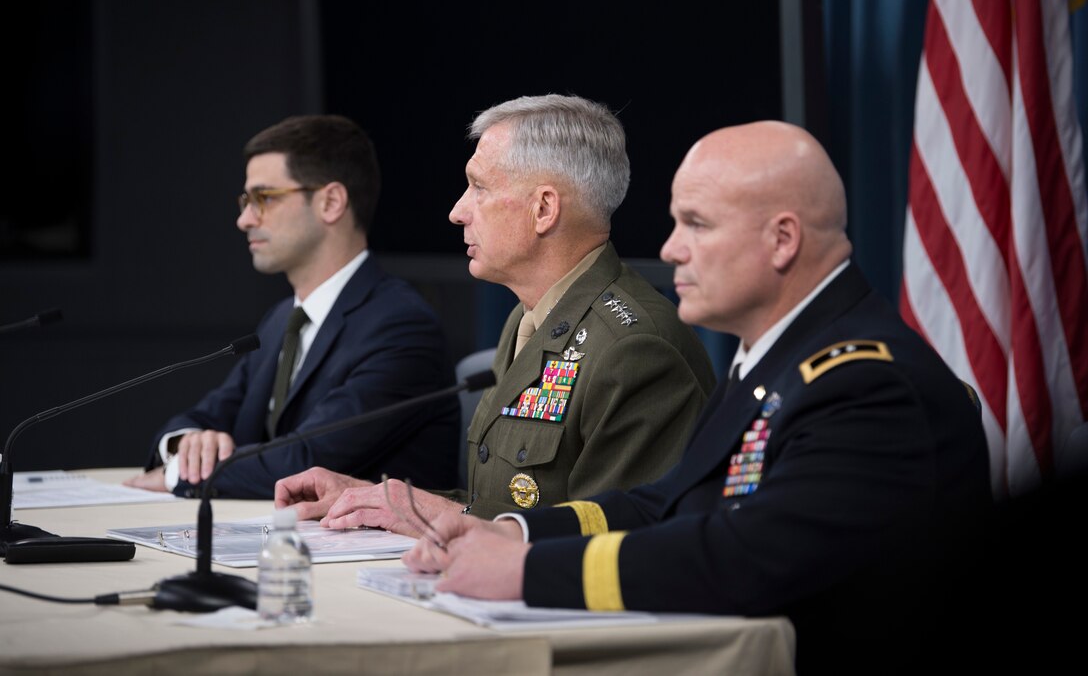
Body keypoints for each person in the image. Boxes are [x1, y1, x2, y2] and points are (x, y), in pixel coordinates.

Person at [401, 121, 994, 674]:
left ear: (783, 239)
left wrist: (527, 572)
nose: (671, 249)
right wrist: (513, 533)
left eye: (698, 224)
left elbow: (745, 558)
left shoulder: (866, 384)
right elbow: (668, 503)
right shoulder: (773, 358)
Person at [275, 94, 717, 526]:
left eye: (479, 187)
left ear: (543, 209)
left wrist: (435, 513)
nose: (456, 211)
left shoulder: (636, 348)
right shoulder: (528, 318)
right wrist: (379, 498)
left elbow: (615, 538)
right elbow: (499, 504)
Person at [125, 114, 460, 498]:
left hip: (372, 555)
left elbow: (307, 460)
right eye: (245, 200)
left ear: (331, 202)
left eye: (263, 198)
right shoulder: (282, 319)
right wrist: (186, 444)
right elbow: (210, 415)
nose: (244, 219)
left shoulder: (401, 327)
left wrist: (176, 476)